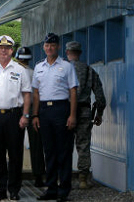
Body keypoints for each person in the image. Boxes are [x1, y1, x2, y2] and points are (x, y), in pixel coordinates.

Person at [0, 36, 32, 201]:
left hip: (14, 116)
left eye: (7, 48)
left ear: (12, 50)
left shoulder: (20, 70)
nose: (4, 50)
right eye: (1, 47)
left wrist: (25, 115)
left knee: (15, 154)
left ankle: (14, 190)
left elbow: (27, 95)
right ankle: (0, 190)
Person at [32, 33, 78, 202]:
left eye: (52, 45)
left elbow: (73, 91)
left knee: (63, 151)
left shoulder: (67, 66)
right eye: (47, 45)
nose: (49, 48)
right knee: (49, 151)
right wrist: (35, 114)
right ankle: (51, 188)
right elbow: (36, 93)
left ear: (58, 47)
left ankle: (64, 190)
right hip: (44, 111)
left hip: (61, 109)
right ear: (44, 47)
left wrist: (72, 115)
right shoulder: (39, 67)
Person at [65, 41, 107, 189]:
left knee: (64, 145)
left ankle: (63, 178)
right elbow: (100, 97)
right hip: (84, 112)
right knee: (83, 145)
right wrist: (99, 113)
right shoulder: (90, 71)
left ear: (67, 52)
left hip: (65, 112)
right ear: (80, 53)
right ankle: (83, 178)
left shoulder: (62, 70)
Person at [15, 47, 46, 187]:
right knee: (36, 145)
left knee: (15, 143)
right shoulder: (35, 72)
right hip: (34, 109)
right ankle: (38, 176)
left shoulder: (15, 72)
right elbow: (37, 94)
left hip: (17, 109)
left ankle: (16, 176)